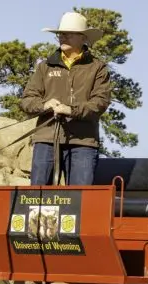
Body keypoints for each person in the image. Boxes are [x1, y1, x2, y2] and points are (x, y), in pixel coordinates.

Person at [20, 11, 113, 186]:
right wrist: (44, 104)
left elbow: (100, 103)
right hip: (46, 139)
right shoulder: (44, 66)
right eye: (60, 34)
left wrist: (71, 110)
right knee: (37, 198)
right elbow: (27, 100)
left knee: (80, 200)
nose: (62, 37)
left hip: (83, 141)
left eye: (68, 34)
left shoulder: (97, 68)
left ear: (83, 38)